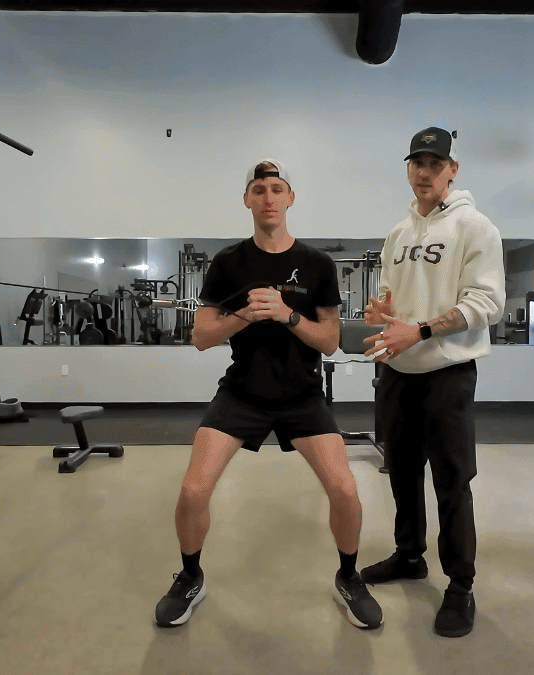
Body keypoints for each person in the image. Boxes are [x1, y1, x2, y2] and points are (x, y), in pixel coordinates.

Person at [154, 159, 383, 630]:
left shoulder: (317, 265)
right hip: (242, 394)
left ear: (290, 199)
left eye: (277, 189)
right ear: (247, 200)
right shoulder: (227, 263)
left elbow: (330, 341)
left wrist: (286, 315)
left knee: (344, 489)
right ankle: (190, 576)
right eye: (259, 190)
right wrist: (246, 315)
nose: (268, 197)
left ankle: (348, 575)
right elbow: (201, 337)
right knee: (194, 489)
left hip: (302, 396)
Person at [360, 127, 506, 638]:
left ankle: (460, 586)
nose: (423, 171)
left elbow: (487, 305)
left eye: (434, 162)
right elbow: (391, 297)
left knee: (451, 482)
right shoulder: (398, 233)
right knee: (400, 471)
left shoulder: (476, 227)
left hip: (447, 375)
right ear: (408, 169)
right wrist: (382, 312)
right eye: (415, 162)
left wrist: (419, 329)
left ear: (452, 170)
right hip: (397, 372)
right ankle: (409, 555)